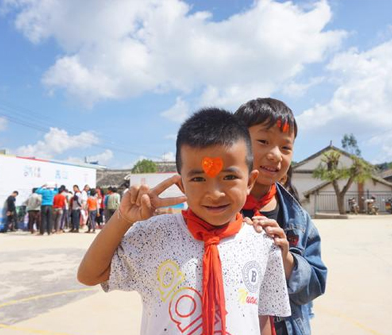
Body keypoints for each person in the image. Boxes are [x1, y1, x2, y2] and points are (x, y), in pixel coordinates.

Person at [78, 108, 291, 335]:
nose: (214, 192)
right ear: (181, 185)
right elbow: (89, 275)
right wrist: (122, 220)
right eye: (198, 178)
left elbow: (262, 318)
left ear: (250, 181)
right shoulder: (155, 236)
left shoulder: (262, 243)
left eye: (229, 177)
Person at [235, 98, 327, 335]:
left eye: (285, 147)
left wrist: (286, 259)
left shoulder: (300, 220)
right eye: (264, 141)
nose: (276, 155)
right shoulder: (214, 210)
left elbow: (316, 283)